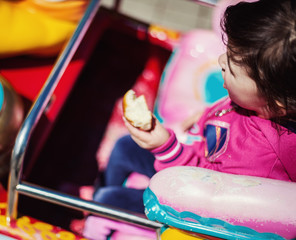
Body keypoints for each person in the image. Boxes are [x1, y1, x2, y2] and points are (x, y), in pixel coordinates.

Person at [83, 0, 296, 239]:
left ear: (278, 102)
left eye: (234, 68)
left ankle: (91, 225)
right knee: (125, 147)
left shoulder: (256, 156)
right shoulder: (264, 105)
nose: (221, 62)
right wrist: (205, 115)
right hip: (199, 157)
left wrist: (164, 146)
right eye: (227, 53)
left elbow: (198, 189)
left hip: (195, 205)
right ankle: (97, 190)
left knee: (108, 200)